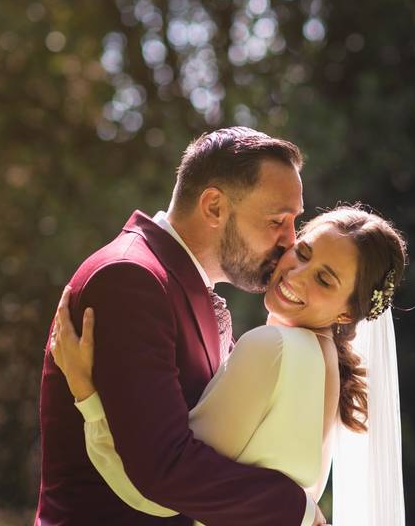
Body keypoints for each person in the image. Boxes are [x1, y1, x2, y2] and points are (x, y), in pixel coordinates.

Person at [35, 127, 326, 525]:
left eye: (295, 222)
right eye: (277, 220)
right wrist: (296, 511)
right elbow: (163, 466)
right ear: (213, 207)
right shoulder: (129, 279)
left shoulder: (183, 287)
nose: (289, 240)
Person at [51, 206, 409, 526]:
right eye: (302, 253)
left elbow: (159, 492)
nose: (297, 275)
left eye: (323, 279)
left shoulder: (273, 349)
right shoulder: (327, 362)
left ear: (347, 312)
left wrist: (86, 393)